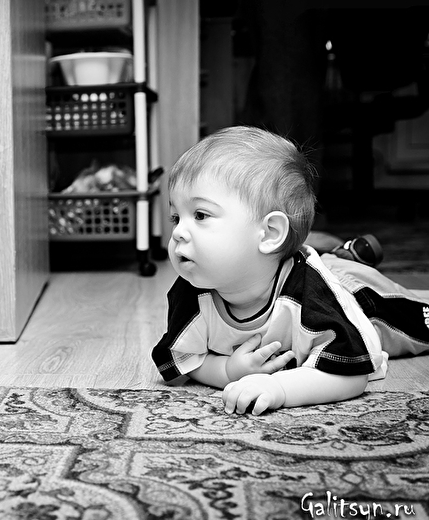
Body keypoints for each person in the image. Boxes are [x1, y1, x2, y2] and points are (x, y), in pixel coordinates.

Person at [151, 126, 429, 415]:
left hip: (356, 294)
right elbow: (185, 359)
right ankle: (344, 253)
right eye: (176, 217)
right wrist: (227, 371)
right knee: (325, 261)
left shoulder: (313, 293)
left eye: (200, 215)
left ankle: (348, 259)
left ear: (270, 233)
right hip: (301, 265)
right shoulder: (191, 290)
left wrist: (280, 388)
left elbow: (352, 375)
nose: (178, 232)